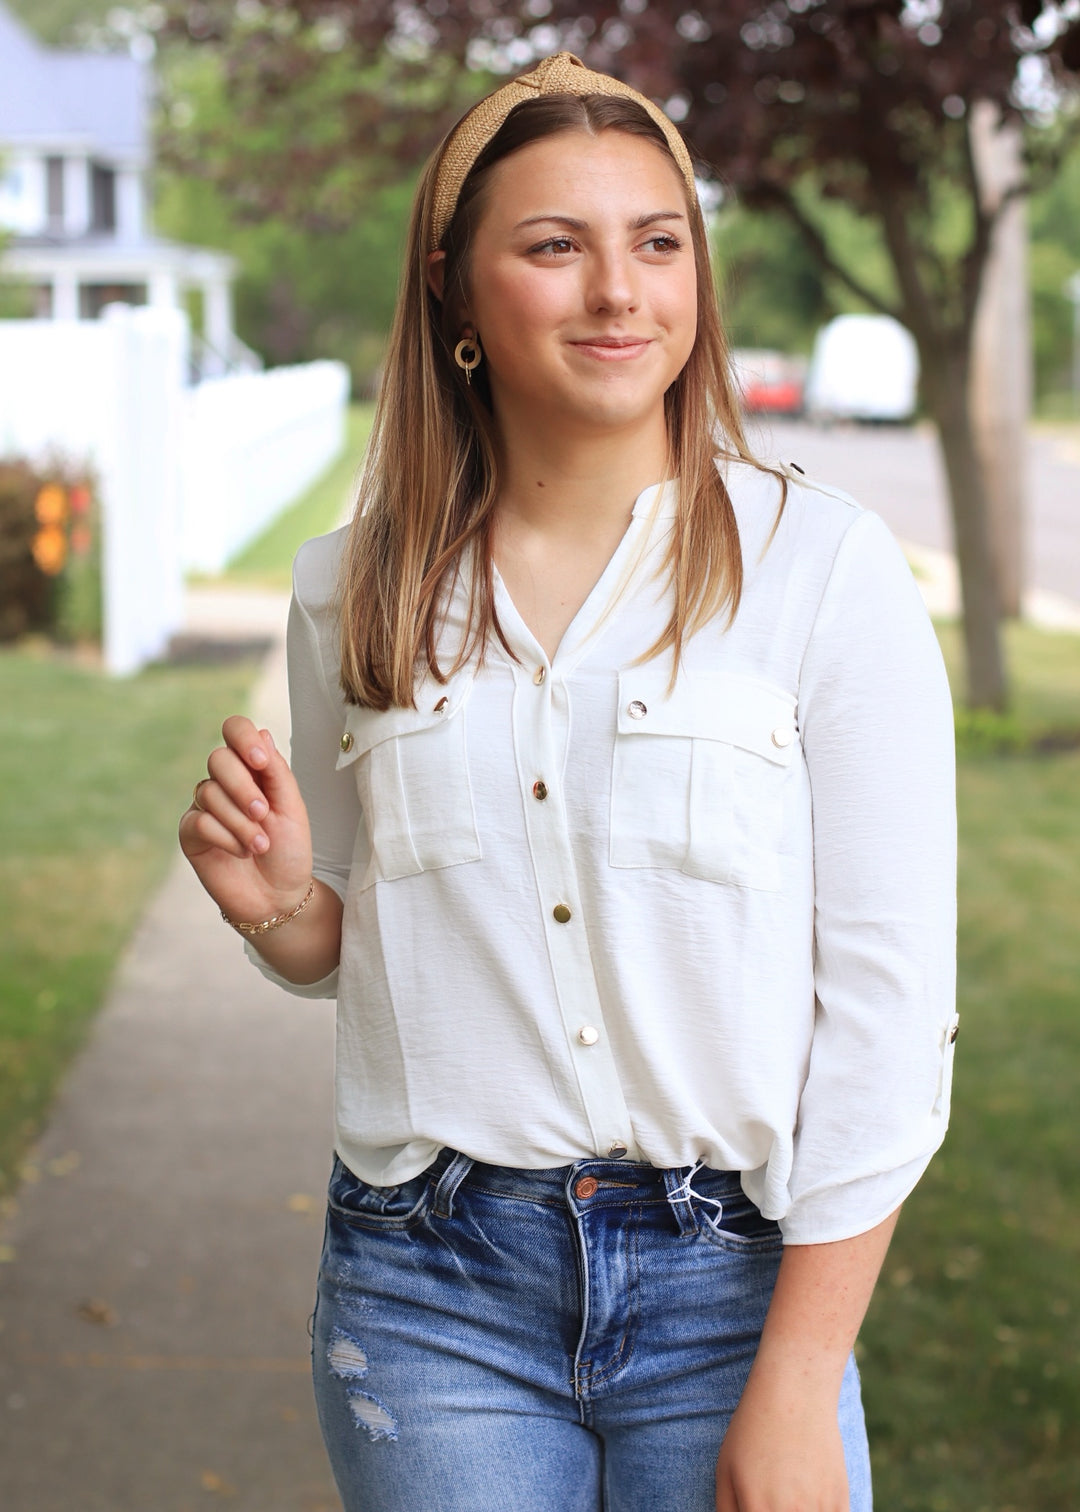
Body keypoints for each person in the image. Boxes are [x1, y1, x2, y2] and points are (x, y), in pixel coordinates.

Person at [179, 52, 957, 1512]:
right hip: (427, 1295)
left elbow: (890, 1018)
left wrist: (796, 1386)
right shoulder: (353, 591)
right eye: (555, 246)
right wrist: (280, 910)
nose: (621, 292)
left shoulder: (822, 572)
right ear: (455, 292)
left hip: (735, 1297)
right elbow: (364, 945)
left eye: (658, 242)